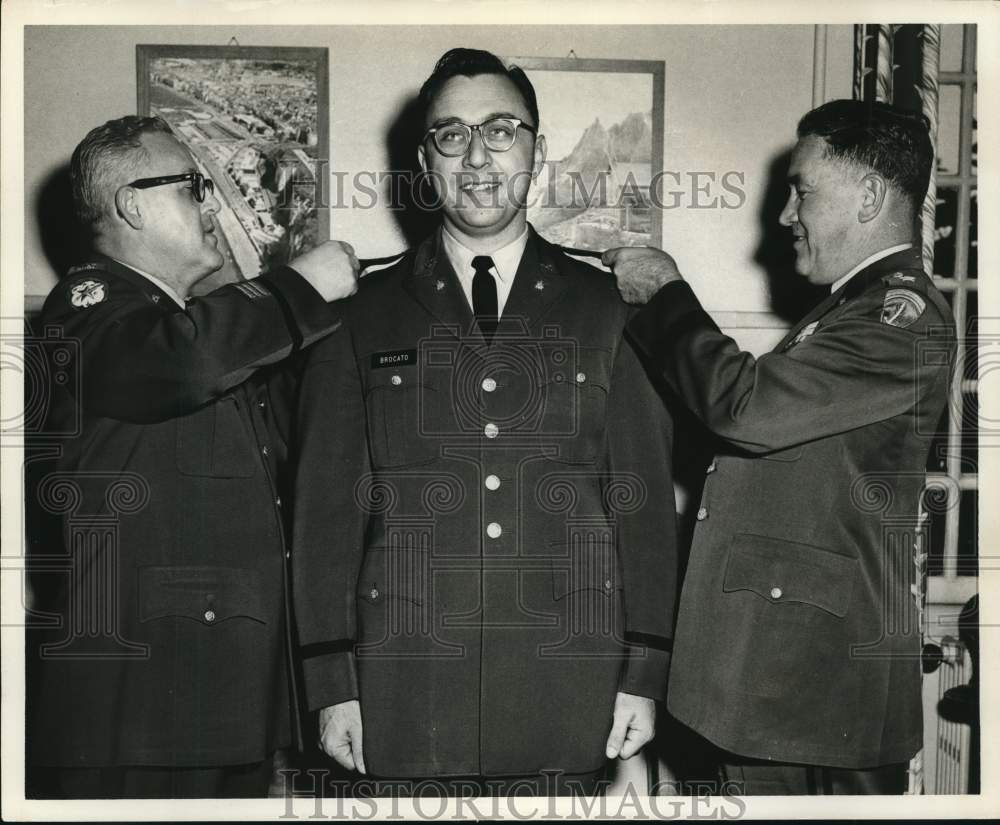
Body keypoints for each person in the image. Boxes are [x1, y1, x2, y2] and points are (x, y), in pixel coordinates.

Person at [292, 48, 676, 796]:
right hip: (404, 692)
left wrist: (646, 673)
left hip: (572, 690)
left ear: (538, 148)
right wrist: (330, 679)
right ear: (424, 160)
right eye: (450, 135)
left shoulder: (610, 305)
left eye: (501, 131)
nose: (476, 157)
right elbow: (325, 514)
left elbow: (646, 508)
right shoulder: (358, 311)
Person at [603, 99, 955, 794]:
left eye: (803, 189)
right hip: (782, 680)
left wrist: (668, 294)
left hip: (813, 689)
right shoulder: (849, 308)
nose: (786, 214)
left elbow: (745, 406)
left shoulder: (899, 318)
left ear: (870, 195)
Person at [25, 115, 359, 798]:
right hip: (140, 708)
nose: (213, 207)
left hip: (213, 700)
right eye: (194, 186)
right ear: (131, 204)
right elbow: (183, 361)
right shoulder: (87, 305)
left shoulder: (179, 325)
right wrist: (299, 285)